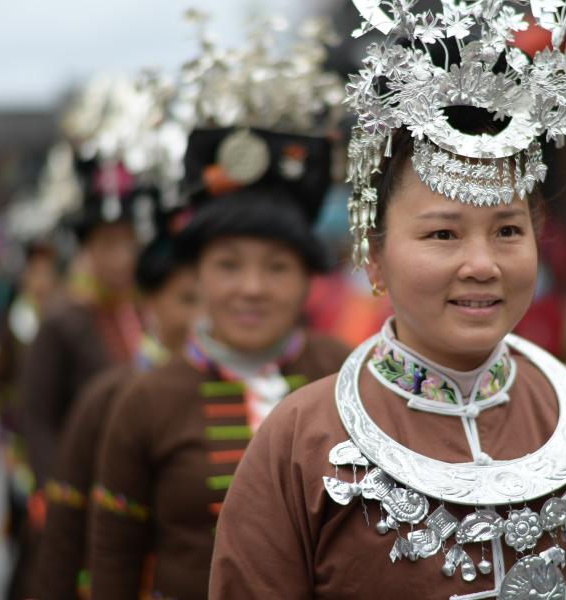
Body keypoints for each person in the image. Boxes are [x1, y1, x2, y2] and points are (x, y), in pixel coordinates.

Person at [209, 2, 566, 599]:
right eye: (443, 234)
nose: (481, 265)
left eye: (508, 231)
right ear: (373, 254)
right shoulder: (301, 445)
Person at [88, 16, 350, 599]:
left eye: (277, 266)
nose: (251, 288)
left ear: (308, 278)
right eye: (228, 265)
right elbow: (113, 558)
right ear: (196, 275)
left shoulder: (347, 377)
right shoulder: (147, 400)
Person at [33, 231, 198, 600]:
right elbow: (38, 418)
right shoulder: (108, 390)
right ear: (151, 300)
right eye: (187, 299)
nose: (202, 316)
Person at [0, 241, 59, 600]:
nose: (42, 281)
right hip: (20, 442)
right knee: (23, 525)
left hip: (56, 441)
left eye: (49, 273)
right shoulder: (16, 322)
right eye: (36, 272)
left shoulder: (64, 320)